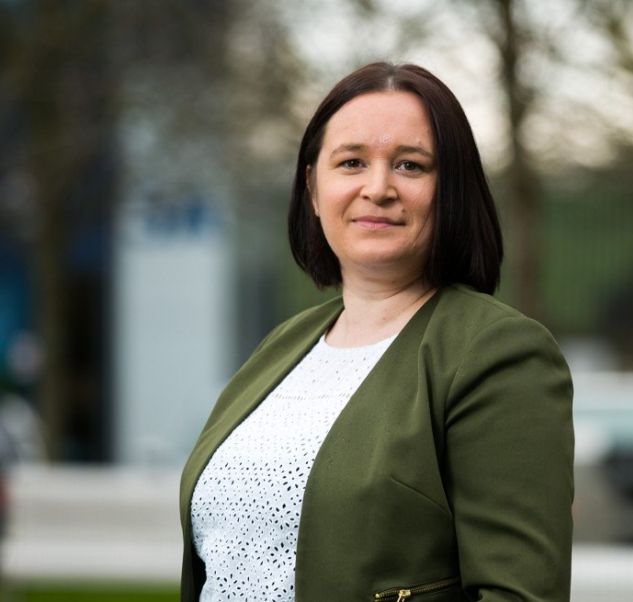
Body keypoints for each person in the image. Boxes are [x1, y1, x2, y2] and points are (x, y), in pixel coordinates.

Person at [178, 62, 574, 602]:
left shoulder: (497, 354)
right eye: (351, 162)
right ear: (314, 190)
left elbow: (519, 594)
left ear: (451, 192)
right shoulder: (282, 347)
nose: (378, 187)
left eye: (410, 165)